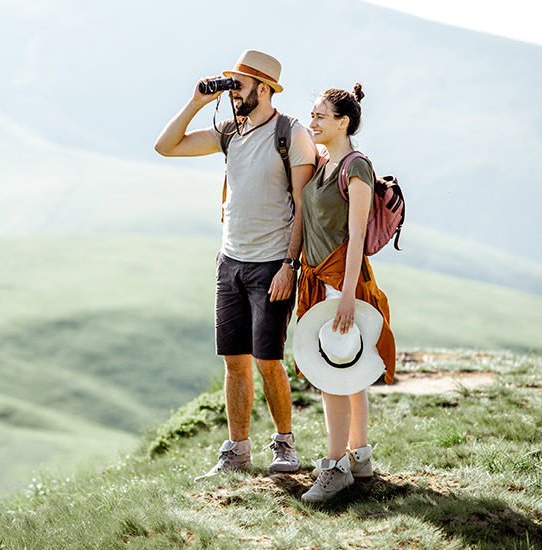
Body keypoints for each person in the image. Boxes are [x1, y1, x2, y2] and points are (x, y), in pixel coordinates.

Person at [154, 50, 316, 479]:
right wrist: (196, 102)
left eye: (239, 85)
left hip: (271, 265)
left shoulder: (291, 134)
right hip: (230, 263)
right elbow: (165, 147)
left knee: (267, 360)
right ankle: (238, 452)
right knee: (234, 361)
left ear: (264, 90)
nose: (232, 93)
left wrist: (289, 265)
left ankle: (284, 444)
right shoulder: (230, 131)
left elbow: (303, 207)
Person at [295, 84, 396, 503]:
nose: (313, 121)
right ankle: (359, 457)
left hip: (341, 282)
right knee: (346, 369)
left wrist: (350, 295)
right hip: (321, 279)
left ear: (343, 122)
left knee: (332, 374)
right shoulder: (323, 161)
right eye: (313, 114)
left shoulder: (355, 168)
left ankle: (335, 467)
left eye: (320, 116)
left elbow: (356, 236)